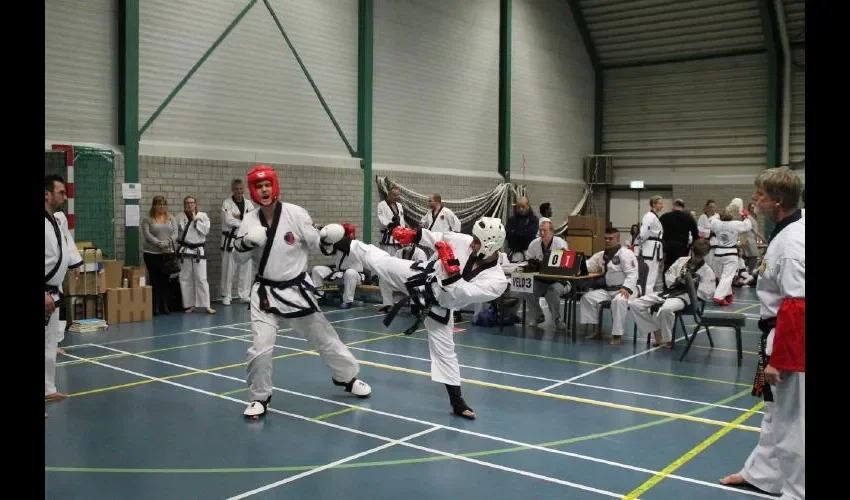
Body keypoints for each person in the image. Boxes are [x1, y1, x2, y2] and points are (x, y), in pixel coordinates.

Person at [331, 217, 509, 419]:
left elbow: (460, 293)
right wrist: (414, 234)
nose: (472, 243)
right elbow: (439, 237)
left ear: (490, 245)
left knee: (446, 353)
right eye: (474, 238)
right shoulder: (465, 242)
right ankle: (340, 241)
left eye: (478, 241)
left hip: (441, 306)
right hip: (422, 279)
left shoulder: (496, 281)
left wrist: (451, 266)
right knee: (382, 261)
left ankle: (457, 403)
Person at [232, 165, 372, 419]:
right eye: (259, 186)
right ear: (253, 190)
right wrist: (246, 242)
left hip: (297, 290)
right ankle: (259, 397)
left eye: (267, 185)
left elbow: (318, 243)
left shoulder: (295, 213)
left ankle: (348, 378)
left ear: (274, 186)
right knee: (260, 348)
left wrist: (329, 238)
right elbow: (238, 259)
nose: (264, 190)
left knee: (325, 338)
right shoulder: (249, 220)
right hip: (265, 294)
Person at [720, 167, 804, 499]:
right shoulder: (787, 230)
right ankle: (763, 474)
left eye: (760, 195)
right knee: (773, 411)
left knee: (792, 423)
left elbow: (797, 306)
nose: (754, 200)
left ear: (777, 200)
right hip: (775, 333)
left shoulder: (792, 243)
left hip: (790, 340)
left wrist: (780, 359)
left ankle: (797, 492)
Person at [629, 239, 715, 348]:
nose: (696, 257)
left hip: (686, 296)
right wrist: (677, 279)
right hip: (670, 292)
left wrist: (692, 284)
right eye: (695, 254)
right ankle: (656, 330)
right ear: (691, 250)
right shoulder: (681, 261)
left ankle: (667, 339)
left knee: (666, 309)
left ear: (705, 254)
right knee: (635, 304)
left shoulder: (707, 271)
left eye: (700, 255)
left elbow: (708, 292)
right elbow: (668, 275)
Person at [45, 175, 83, 405]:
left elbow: (65, 245)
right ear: (46, 194)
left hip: (54, 293)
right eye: (60, 192)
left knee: (50, 345)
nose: (65, 196)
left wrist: (74, 263)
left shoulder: (57, 219)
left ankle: (47, 388)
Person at [580, 227, 639, 345]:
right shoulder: (601, 255)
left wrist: (626, 287)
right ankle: (596, 329)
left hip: (626, 289)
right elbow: (587, 265)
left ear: (618, 239)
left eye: (610, 239)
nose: (607, 241)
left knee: (618, 301)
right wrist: (574, 266)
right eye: (605, 238)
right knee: (587, 298)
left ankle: (617, 336)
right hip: (608, 290)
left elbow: (633, 273)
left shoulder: (626, 254)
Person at [176, 196, 215, 314]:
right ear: (184, 205)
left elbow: (205, 231)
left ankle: (206, 305)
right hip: (185, 251)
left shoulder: (202, 216)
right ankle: (190, 305)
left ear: (195, 204)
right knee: (185, 278)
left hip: (198, 250)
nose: (190, 205)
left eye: (192, 203)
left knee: (201, 278)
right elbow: (176, 233)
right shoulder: (179, 217)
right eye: (187, 203)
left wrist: (195, 219)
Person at [220, 178, 255, 305]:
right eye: (236, 189)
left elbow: (253, 220)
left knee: (246, 268)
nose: (239, 191)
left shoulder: (249, 203)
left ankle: (244, 294)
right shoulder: (227, 203)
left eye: (241, 188)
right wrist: (245, 221)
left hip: (245, 239)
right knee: (229, 268)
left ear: (244, 189)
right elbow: (228, 221)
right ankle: (226, 295)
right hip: (231, 239)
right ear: (232, 190)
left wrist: (239, 217)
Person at [659, 199, 699, 274]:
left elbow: (658, 230)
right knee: (681, 266)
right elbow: (695, 234)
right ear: (683, 207)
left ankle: (667, 284)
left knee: (668, 265)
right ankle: (679, 284)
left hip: (668, 246)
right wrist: (691, 245)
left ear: (674, 206)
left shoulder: (665, 217)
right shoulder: (688, 218)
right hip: (682, 247)